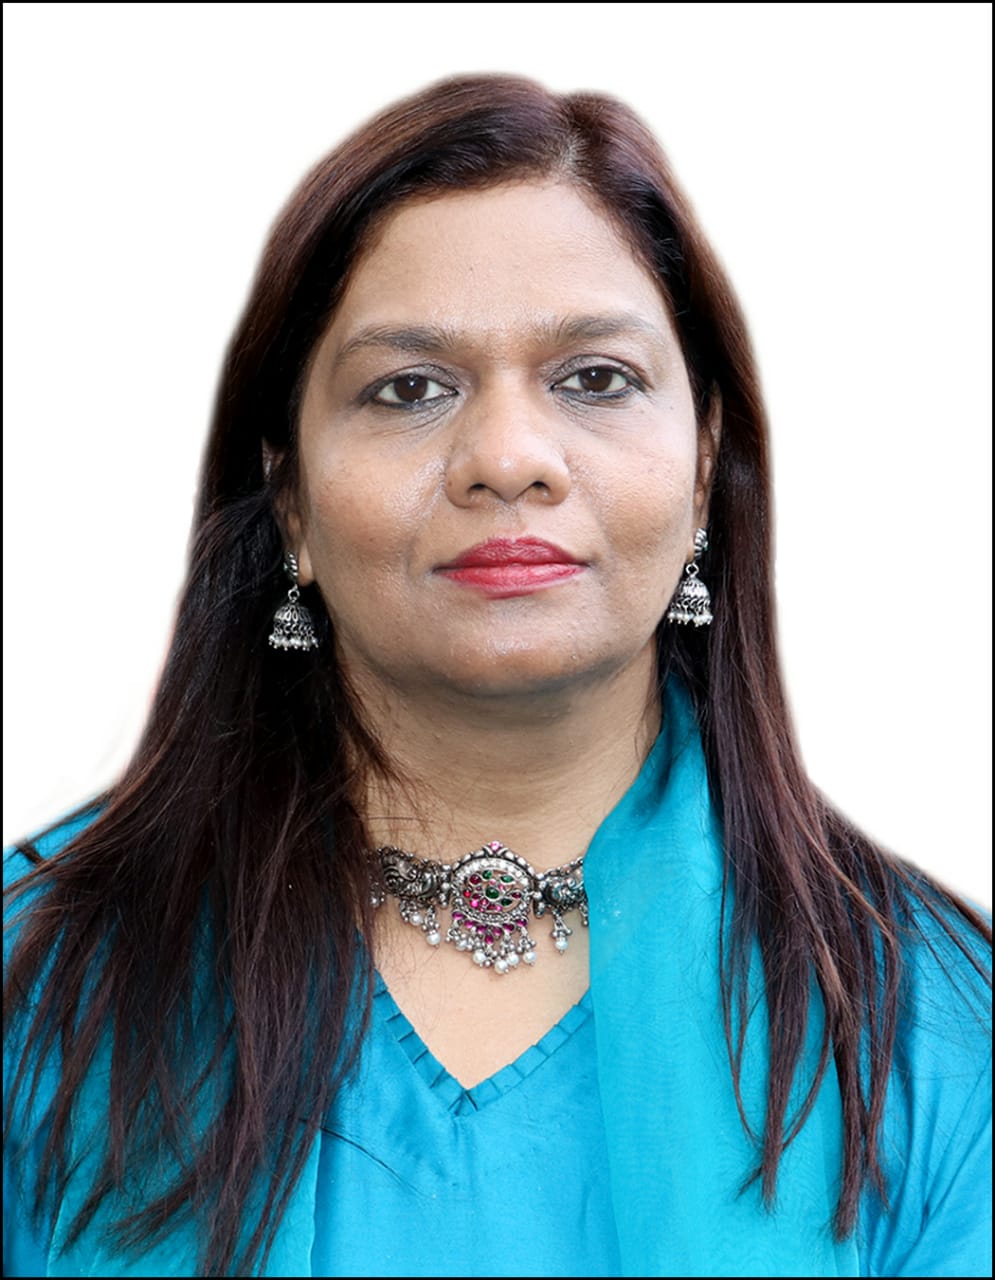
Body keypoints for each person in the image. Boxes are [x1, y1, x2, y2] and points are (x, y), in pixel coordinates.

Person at [3, 73, 990, 1279]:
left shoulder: (933, 1030)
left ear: (702, 466)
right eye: (408, 388)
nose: (509, 457)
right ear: (289, 498)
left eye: (594, 378)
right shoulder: (35, 979)